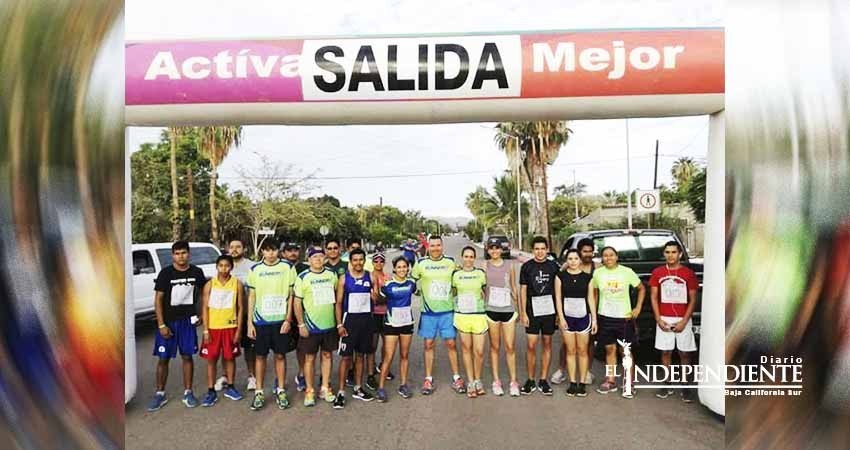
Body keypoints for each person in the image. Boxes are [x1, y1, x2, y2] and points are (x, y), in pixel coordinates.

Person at [147, 240, 206, 411]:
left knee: (187, 356)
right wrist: (161, 324)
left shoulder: (196, 272)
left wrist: (201, 313)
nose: (181, 256)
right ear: (173, 255)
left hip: (187, 322)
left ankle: (188, 392)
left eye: (184, 253)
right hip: (168, 322)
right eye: (177, 253)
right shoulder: (166, 273)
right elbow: (158, 299)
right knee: (163, 358)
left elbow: (203, 294)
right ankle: (160, 394)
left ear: (189, 254)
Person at [246, 239, 297, 410]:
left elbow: (291, 295)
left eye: (274, 250)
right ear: (262, 252)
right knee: (260, 356)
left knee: (280, 356)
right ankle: (259, 392)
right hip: (261, 322)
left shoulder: (288, 267)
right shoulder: (255, 269)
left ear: (278, 251)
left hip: (280, 321)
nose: (270, 254)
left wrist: (288, 320)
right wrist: (249, 323)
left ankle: (281, 390)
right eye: (267, 250)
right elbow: (251, 296)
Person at [589, 246, 646, 398]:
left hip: (624, 318)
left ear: (616, 257)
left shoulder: (626, 272)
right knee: (610, 350)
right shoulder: (598, 273)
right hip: (605, 317)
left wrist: (637, 308)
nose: (608, 258)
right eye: (605, 255)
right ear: (602, 258)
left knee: (625, 350)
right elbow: (594, 293)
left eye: (611, 255)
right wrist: (594, 315)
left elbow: (641, 288)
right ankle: (611, 380)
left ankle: (629, 383)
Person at [411, 235, 464, 395]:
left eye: (438, 245)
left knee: (451, 345)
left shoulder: (450, 262)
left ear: (442, 246)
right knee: (428, 345)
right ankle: (428, 379)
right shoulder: (421, 264)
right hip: (429, 313)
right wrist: (417, 291)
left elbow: (458, 281)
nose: (435, 248)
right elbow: (411, 282)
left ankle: (457, 378)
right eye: (432, 245)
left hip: (447, 311)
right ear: (428, 247)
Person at [649, 241, 698, 403]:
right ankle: (667, 382)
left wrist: (685, 320)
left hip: (683, 318)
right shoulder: (658, 272)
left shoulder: (688, 273)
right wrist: (658, 319)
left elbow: (693, 299)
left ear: (680, 254)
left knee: (684, 352)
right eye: (667, 252)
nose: (671, 255)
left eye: (674, 252)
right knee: (666, 351)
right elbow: (654, 297)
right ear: (664, 254)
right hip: (664, 317)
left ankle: (685, 385)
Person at [294, 246, 340, 407]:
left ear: (325, 259)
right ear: (309, 260)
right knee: (310, 358)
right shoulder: (302, 277)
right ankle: (309, 390)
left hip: (329, 325)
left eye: (321, 256)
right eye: (315, 257)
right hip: (310, 326)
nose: (318, 259)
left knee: (327, 356)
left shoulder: (331, 275)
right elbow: (297, 303)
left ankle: (325, 387)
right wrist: (301, 324)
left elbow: (337, 298)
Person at [333, 248, 376, 408]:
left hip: (365, 322)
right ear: (351, 262)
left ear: (365, 261)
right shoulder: (344, 279)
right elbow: (338, 303)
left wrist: (375, 297)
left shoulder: (370, 276)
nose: (358, 262)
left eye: (361, 259)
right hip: (349, 321)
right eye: (355, 260)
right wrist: (339, 324)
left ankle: (358, 387)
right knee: (346, 357)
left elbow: (377, 298)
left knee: (360, 356)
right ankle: (341, 392)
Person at [551, 238, 598, 386]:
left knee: (585, 348)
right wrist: (560, 317)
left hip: (585, 316)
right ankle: (567, 377)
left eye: (576, 258)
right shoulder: (562, 274)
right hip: (567, 316)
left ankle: (584, 378)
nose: (573, 261)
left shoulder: (592, 273)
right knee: (568, 348)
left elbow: (592, 297)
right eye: (570, 259)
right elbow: (558, 297)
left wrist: (594, 319)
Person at [199, 255, 244, 406]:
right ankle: (211, 391)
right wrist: (205, 330)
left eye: (227, 266)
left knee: (230, 358)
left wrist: (239, 330)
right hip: (213, 328)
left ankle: (231, 386)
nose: (224, 269)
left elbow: (240, 307)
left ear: (231, 267)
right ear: (217, 267)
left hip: (230, 327)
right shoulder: (210, 284)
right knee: (211, 359)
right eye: (221, 266)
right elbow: (204, 308)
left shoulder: (237, 284)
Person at [518, 236, 559, 396]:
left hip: (549, 311)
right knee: (531, 345)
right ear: (532, 250)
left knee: (547, 344)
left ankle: (543, 380)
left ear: (547, 249)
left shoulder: (553, 266)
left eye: (543, 248)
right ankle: (530, 380)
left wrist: (558, 314)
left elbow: (558, 290)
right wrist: (523, 313)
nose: (540, 251)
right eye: (537, 249)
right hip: (532, 311)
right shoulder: (527, 267)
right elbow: (522, 290)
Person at [375, 256, 416, 402]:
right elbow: (378, 299)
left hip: (406, 323)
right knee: (388, 356)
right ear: (394, 269)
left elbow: (417, 291)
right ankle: (381, 387)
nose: (402, 269)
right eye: (399, 267)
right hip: (391, 324)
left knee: (404, 355)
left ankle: (403, 385)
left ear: (408, 268)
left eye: (404, 267)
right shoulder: (388, 285)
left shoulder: (412, 283)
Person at [484, 237, 520, 397]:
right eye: (491, 248)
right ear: (487, 250)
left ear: (501, 250)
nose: (494, 251)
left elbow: (513, 287)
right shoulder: (484, 266)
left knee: (510, 346)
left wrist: (518, 309)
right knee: (495, 347)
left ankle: (513, 381)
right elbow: (481, 288)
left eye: (497, 248)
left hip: (508, 310)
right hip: (491, 310)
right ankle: (496, 381)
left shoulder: (509, 266)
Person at [452, 246, 489, 398]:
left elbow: (487, 293)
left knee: (479, 351)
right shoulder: (456, 275)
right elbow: (453, 293)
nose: (468, 259)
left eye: (471, 256)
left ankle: (478, 379)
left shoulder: (480, 274)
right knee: (466, 349)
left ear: (474, 258)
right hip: (462, 316)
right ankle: (471, 381)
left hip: (479, 315)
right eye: (466, 256)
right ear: (462, 257)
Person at [224, 238, 257, 392]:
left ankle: (252, 377)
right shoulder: (223, 266)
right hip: (226, 315)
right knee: (227, 347)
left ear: (244, 249)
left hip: (246, 314)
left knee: (249, 347)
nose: (234, 249)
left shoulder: (252, 266)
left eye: (238, 246)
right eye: (232, 247)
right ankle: (226, 377)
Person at [282, 241, 309, 393]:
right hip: (282, 314)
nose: (293, 253)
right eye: (289, 250)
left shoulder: (305, 269)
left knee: (302, 347)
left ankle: (302, 374)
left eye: (295, 250)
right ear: (283, 253)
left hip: (301, 313)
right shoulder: (279, 268)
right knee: (280, 350)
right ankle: (280, 380)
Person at [366, 252, 395, 390]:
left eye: (381, 261)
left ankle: (384, 366)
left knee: (387, 343)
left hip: (386, 313)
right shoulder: (369, 277)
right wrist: (380, 298)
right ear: (372, 262)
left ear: (384, 263)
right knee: (372, 345)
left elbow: (389, 295)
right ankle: (370, 374)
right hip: (373, 314)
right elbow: (374, 298)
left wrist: (380, 298)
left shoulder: (388, 277)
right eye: (376, 261)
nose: (378, 263)